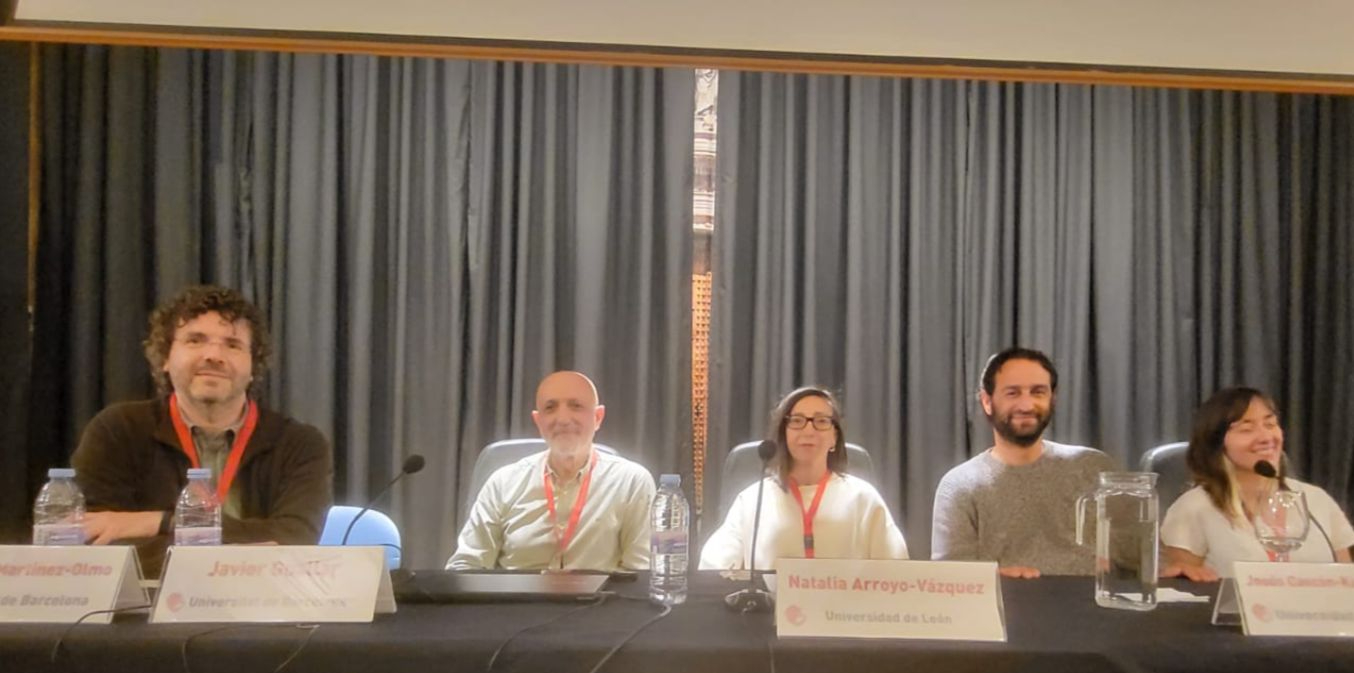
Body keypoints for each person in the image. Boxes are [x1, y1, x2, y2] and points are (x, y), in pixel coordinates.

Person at [71, 285, 333, 577]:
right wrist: (242, 553)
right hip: (145, 603)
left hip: (259, 601)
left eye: (232, 345)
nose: (214, 355)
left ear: (253, 367)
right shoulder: (117, 430)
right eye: (195, 340)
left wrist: (161, 522)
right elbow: (98, 545)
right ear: (165, 358)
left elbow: (295, 541)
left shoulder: (300, 444)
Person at [931, 347, 1116, 577]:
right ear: (987, 401)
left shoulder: (1093, 467)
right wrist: (995, 581)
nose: (1027, 405)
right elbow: (950, 580)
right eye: (1013, 393)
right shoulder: (959, 485)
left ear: (1052, 399)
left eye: (1038, 392)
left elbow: (1138, 557)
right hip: (1004, 601)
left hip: (1090, 600)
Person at [448, 371, 656, 571]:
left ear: (598, 417)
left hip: (598, 596)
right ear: (538, 422)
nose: (563, 419)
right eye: (550, 408)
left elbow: (640, 574)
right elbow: (466, 566)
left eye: (576, 406)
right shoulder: (502, 483)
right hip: (516, 596)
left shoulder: (632, 482)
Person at [699, 386, 908, 569]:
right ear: (784, 434)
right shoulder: (753, 499)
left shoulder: (864, 498)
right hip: (772, 603)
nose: (809, 430)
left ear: (834, 437)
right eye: (797, 421)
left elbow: (898, 573)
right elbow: (713, 569)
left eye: (821, 421)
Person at [1161, 387, 1354, 580]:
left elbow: (1347, 580)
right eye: (1246, 430)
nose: (1266, 437)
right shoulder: (1194, 508)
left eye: (1270, 424)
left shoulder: (1315, 499)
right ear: (1216, 443)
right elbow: (1185, 586)